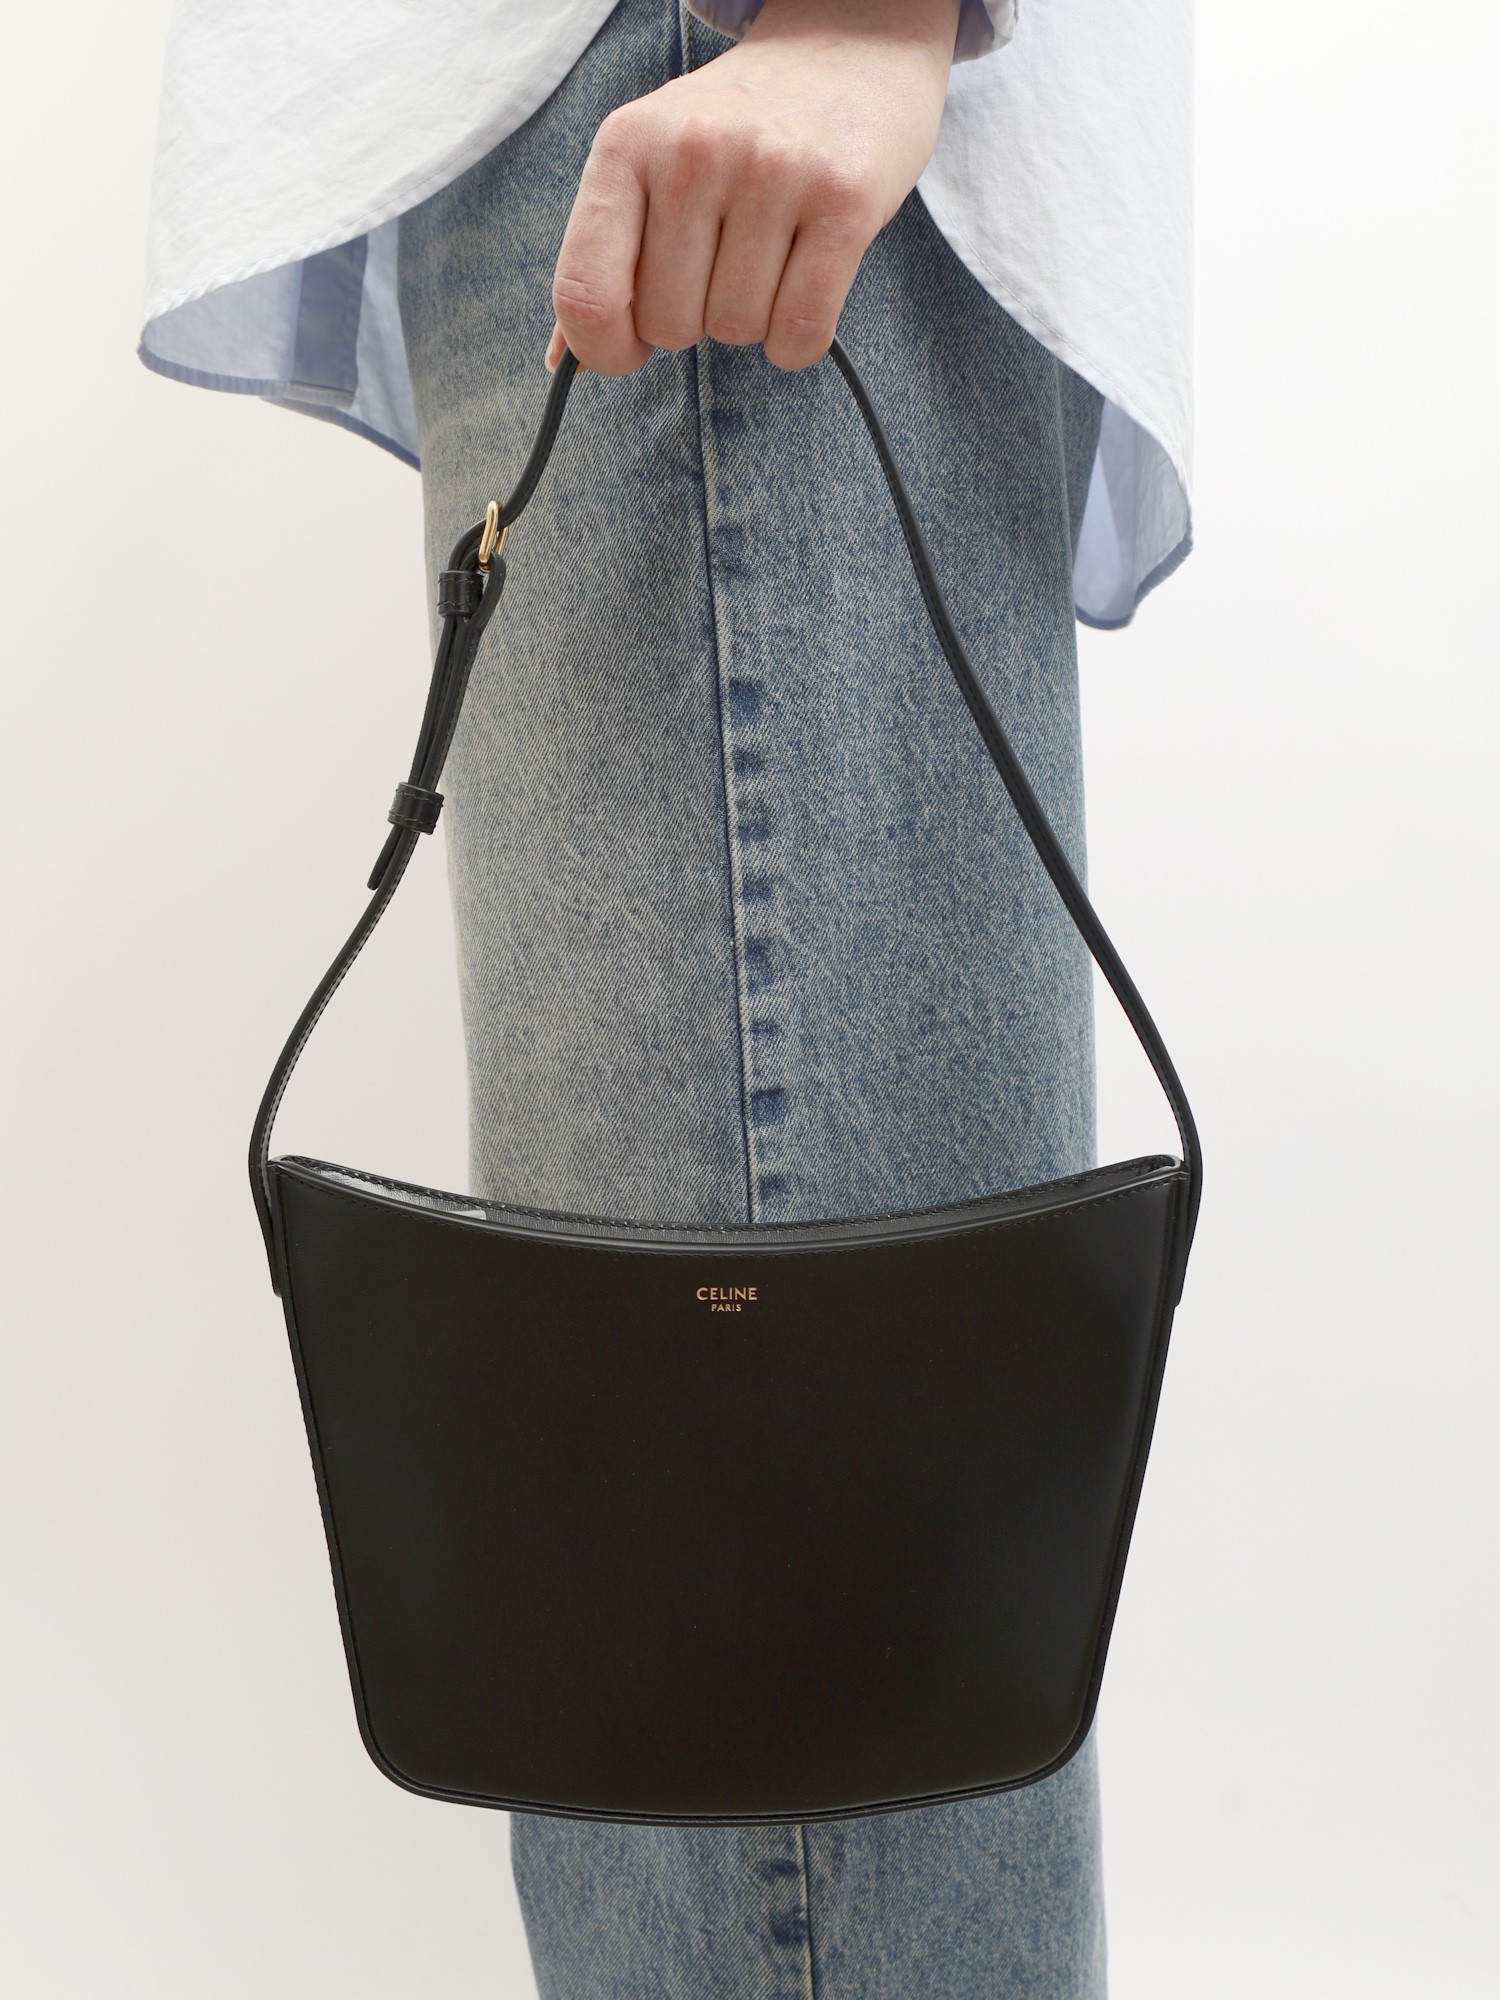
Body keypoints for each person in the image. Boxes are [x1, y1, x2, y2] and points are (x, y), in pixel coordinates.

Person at [142, 2, 1193, 1993]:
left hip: (707, 87)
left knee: (756, 1653)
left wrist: (863, 17)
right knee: (689, 1615)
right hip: (632, 106)